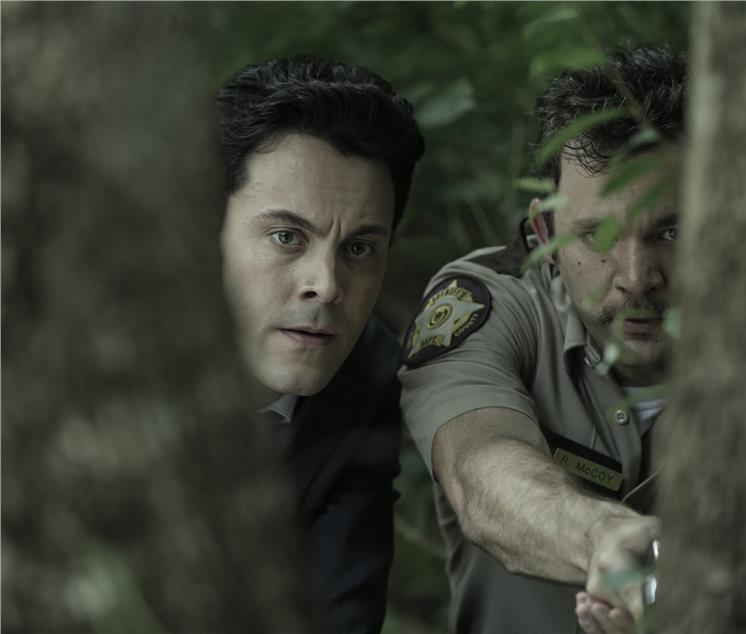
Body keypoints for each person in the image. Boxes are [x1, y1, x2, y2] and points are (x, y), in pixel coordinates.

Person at [399, 46, 685, 634]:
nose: (637, 278)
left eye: (671, 231)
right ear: (544, 230)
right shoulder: (491, 301)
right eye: (596, 237)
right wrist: (604, 537)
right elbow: (480, 468)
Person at [215, 56, 425, 634]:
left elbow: (343, 613)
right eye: (287, 236)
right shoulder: (91, 354)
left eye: (359, 249)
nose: (327, 286)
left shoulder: (369, 375)